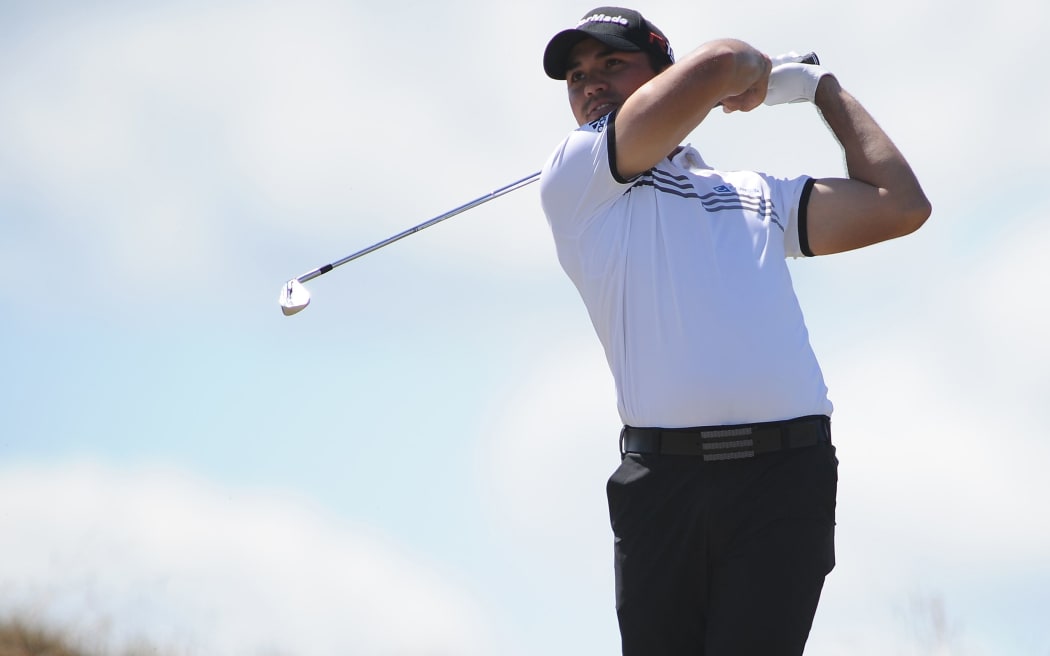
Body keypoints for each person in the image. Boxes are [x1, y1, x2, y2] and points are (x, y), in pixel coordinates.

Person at [538, 6, 930, 656]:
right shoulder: (578, 176)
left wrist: (821, 90)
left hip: (785, 477)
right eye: (576, 76)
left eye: (612, 63)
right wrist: (752, 77)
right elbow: (722, 62)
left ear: (664, 73)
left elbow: (900, 205)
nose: (589, 84)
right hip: (664, 482)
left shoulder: (752, 193)